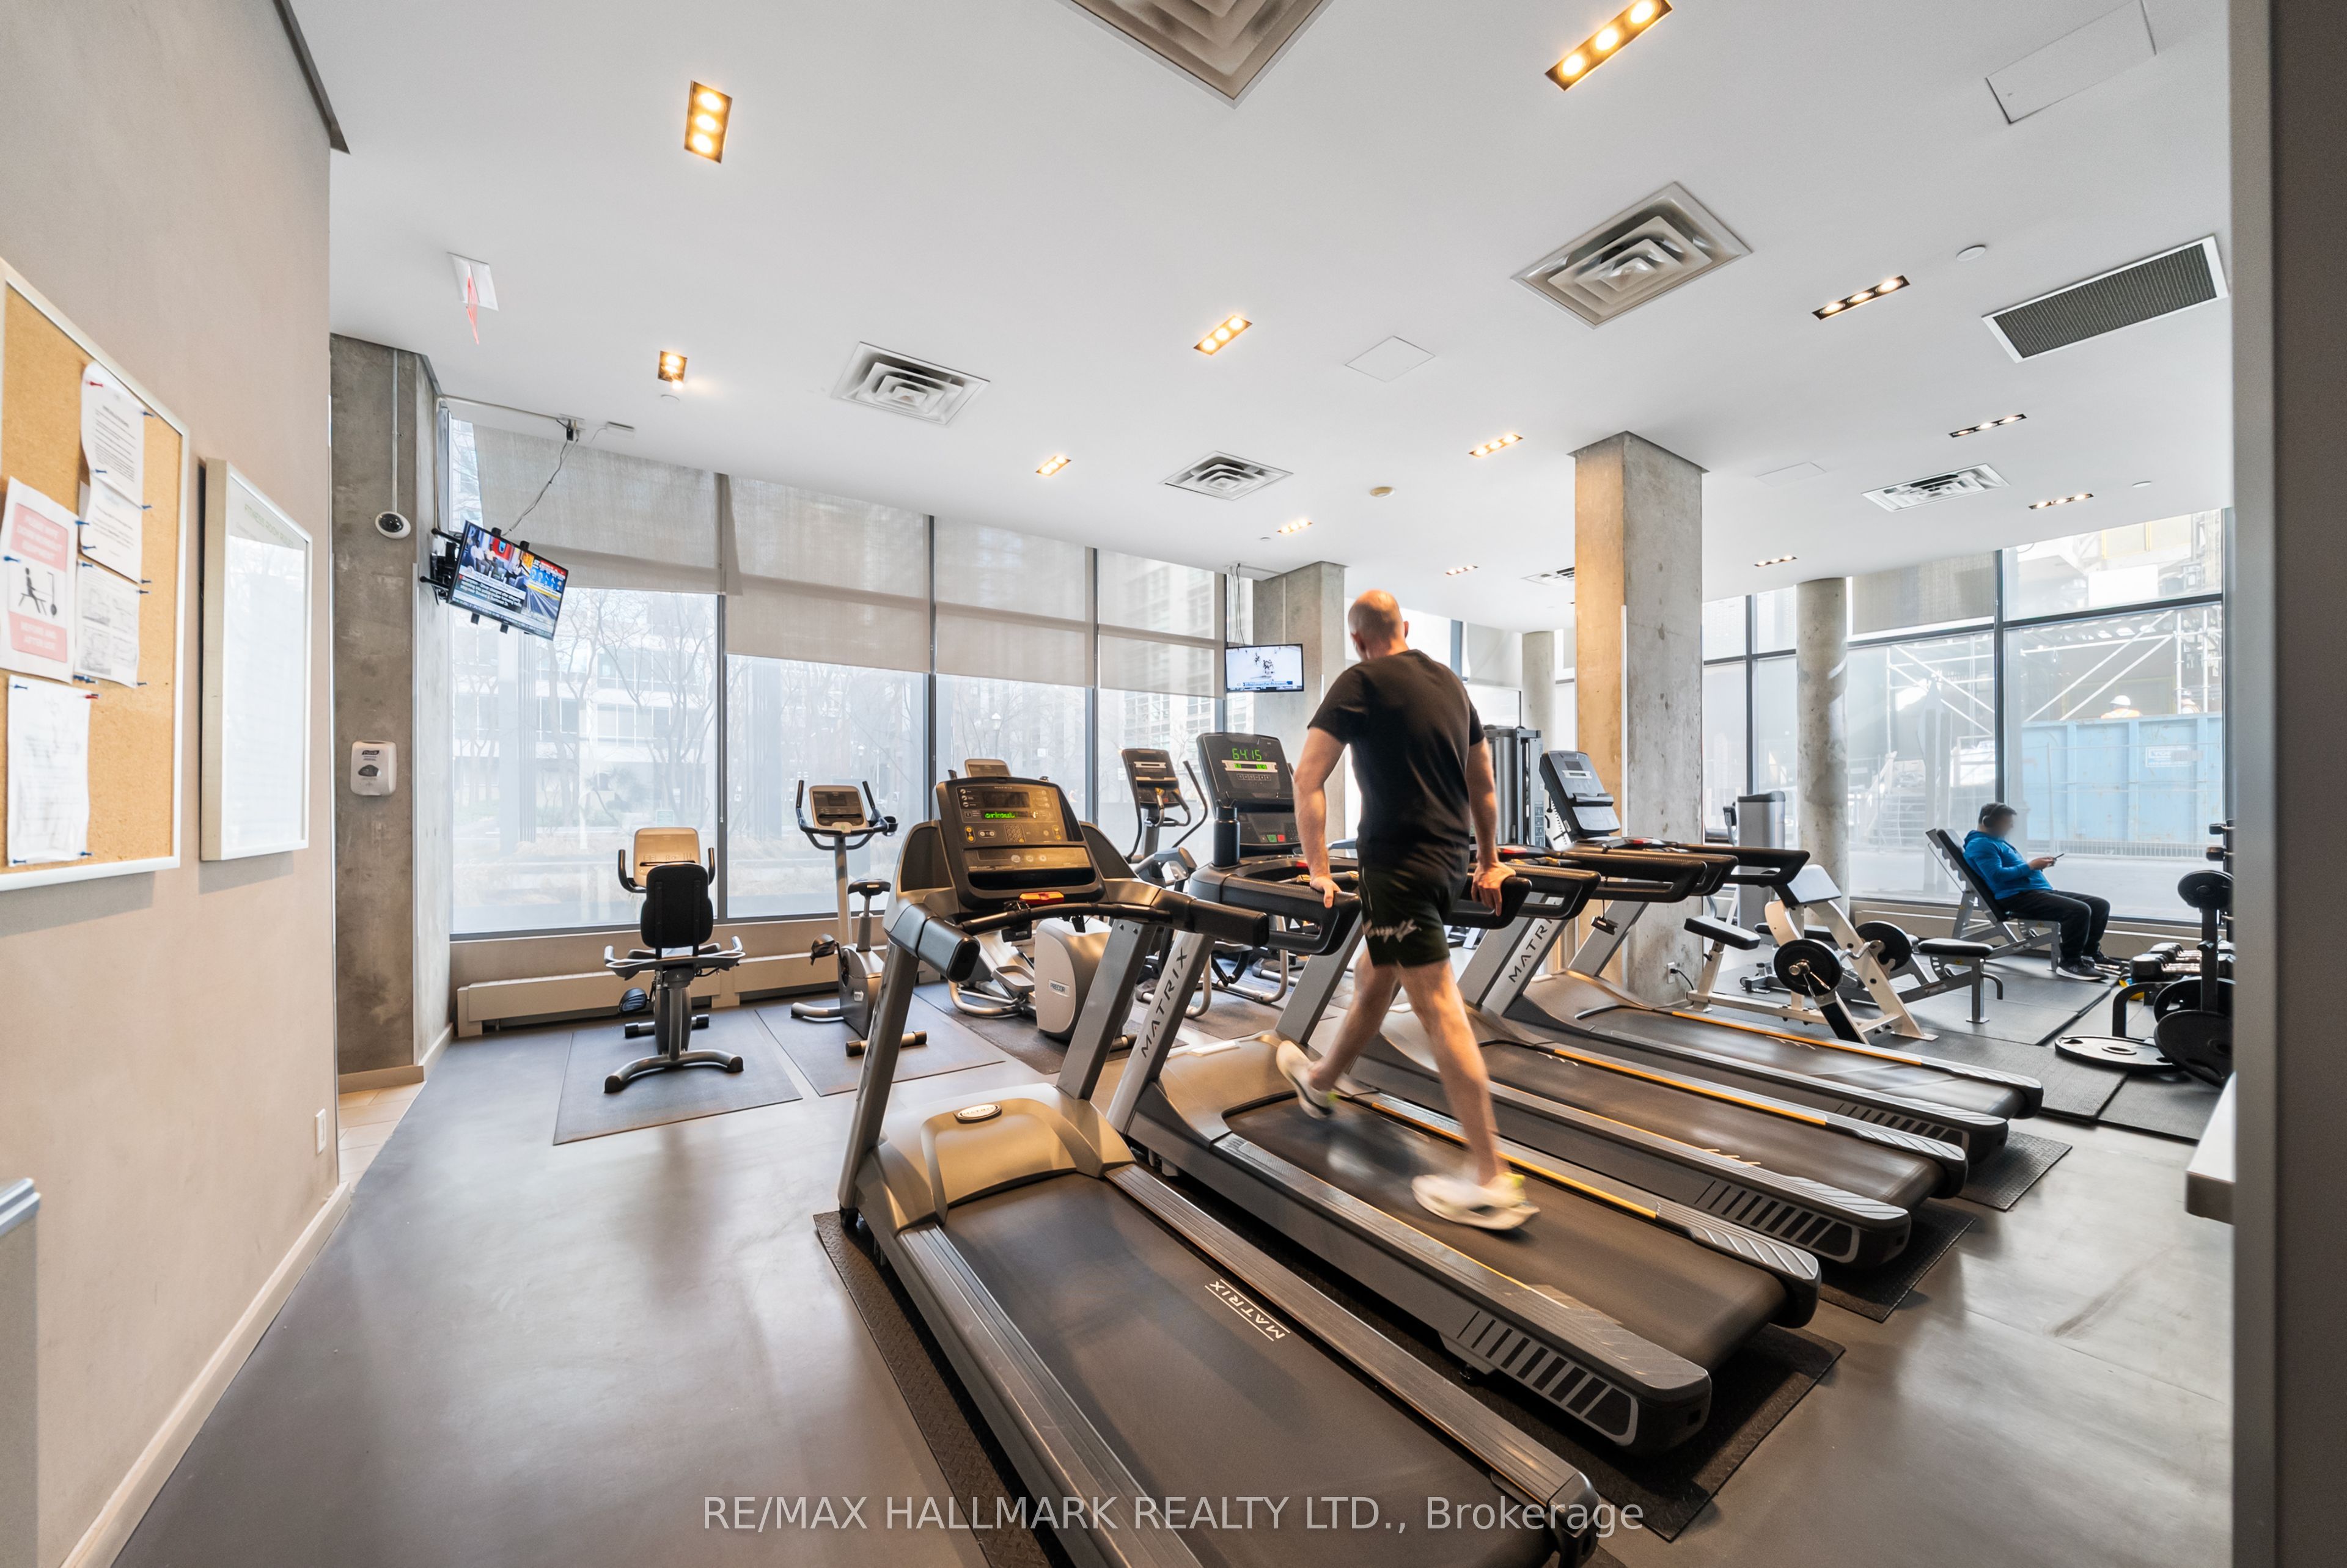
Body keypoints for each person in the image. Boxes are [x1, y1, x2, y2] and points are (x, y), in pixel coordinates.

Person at [1277, 590, 1530, 1229]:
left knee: (1439, 1008)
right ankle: (1321, 1080)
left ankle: (1492, 1178)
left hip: (1397, 868)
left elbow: (1307, 778)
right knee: (1374, 975)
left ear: (1358, 639)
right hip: (1448, 865)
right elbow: (1483, 782)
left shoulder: (1359, 681)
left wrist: (1316, 869)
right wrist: (1487, 861)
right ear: (1406, 628)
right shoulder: (1450, 684)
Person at [1962, 802, 2110, 981]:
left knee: (2100, 905)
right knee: (2079, 910)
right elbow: (1997, 875)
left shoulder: (1996, 842)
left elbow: (2015, 871)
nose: (2011, 826)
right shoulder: (1981, 845)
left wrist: (2037, 866)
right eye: (2007, 822)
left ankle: (2089, 954)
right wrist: (2031, 866)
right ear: (1989, 822)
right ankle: (2070, 963)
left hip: (2035, 892)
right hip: (2017, 897)